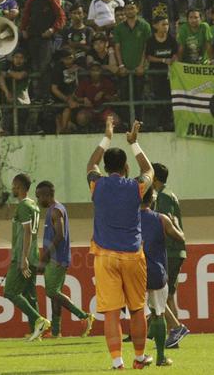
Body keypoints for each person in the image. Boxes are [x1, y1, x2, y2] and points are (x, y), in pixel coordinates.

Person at [85, 117, 153, 370]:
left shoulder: (97, 185)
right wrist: (134, 144)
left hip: (105, 256)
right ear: (125, 167)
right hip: (133, 255)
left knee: (111, 312)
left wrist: (107, 135)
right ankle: (139, 357)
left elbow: (91, 163)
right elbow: (149, 170)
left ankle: (117, 361)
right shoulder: (136, 187)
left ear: (106, 166)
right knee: (136, 309)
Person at [35, 180, 94, 338]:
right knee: (56, 296)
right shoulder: (55, 209)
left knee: (52, 291)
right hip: (56, 257)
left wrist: (44, 257)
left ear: (47, 195)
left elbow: (59, 235)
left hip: (56, 258)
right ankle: (56, 332)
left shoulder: (56, 211)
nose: (38, 200)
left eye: (39, 196)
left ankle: (83, 316)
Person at [141, 187, 185, 367]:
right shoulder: (161, 218)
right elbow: (180, 238)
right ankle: (160, 357)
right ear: (152, 198)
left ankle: (139, 356)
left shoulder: (126, 219)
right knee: (158, 313)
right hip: (155, 271)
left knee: (138, 314)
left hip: (134, 271)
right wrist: (175, 223)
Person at [4, 173, 49, 340]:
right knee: (30, 294)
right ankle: (36, 332)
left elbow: (27, 232)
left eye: (14, 186)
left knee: (9, 292)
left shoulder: (23, 206)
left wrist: (23, 258)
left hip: (23, 255)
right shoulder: (34, 205)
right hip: (34, 255)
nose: (12, 189)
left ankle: (39, 320)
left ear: (19, 187)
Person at [151, 163, 189, 347]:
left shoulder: (163, 197)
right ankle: (174, 334)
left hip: (171, 250)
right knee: (168, 295)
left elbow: (165, 224)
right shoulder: (166, 194)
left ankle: (176, 329)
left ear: (155, 178)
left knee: (163, 294)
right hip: (173, 250)